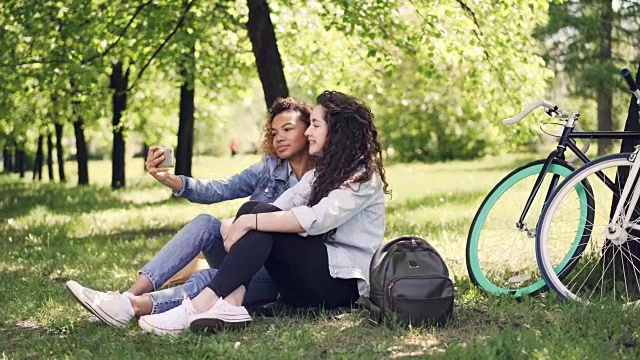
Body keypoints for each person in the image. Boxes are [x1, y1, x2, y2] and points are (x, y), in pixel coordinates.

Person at [137, 90, 391, 335]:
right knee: (255, 211)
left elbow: (314, 220)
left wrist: (248, 222)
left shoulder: (362, 176)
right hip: (308, 279)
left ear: (336, 131)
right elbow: (277, 206)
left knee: (257, 219)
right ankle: (232, 305)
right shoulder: (320, 175)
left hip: (342, 285)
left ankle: (201, 304)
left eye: (315, 125)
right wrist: (243, 221)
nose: (309, 132)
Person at [65, 97, 314, 327]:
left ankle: (133, 307)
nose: (279, 137)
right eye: (274, 132)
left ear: (308, 129)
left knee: (209, 277)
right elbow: (222, 188)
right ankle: (129, 295)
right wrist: (172, 181)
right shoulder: (270, 167)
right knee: (206, 223)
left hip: (275, 276)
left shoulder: (325, 177)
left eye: (288, 129)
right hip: (241, 259)